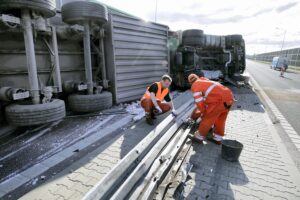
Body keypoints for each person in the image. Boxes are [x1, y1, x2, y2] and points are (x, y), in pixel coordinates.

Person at [188, 73, 234, 145]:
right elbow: (209, 96)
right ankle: (217, 138)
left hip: (219, 101)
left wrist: (203, 112)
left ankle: (199, 137)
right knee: (220, 119)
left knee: (207, 118)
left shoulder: (195, 85)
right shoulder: (204, 81)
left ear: (190, 82)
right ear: (197, 77)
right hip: (229, 97)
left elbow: (199, 102)